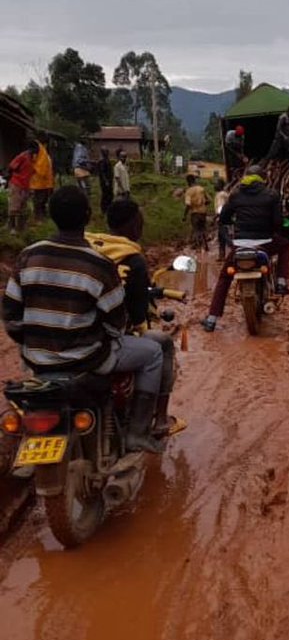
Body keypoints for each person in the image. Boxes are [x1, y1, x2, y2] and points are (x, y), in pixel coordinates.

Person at [1, 186, 164, 452]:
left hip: (37, 361)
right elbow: (116, 324)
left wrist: (34, 342)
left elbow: (10, 316)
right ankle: (137, 432)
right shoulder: (98, 264)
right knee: (154, 352)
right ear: (88, 216)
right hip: (87, 360)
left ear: (51, 215)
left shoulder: (28, 256)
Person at [85, 198, 182, 438]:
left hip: (65, 339)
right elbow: (138, 316)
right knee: (161, 346)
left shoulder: (85, 249)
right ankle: (156, 421)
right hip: (104, 343)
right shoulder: (133, 259)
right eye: (140, 220)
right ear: (134, 225)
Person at [202, 165, 289, 332]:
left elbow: (224, 219)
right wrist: (275, 231)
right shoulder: (272, 195)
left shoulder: (235, 195)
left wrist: (231, 239)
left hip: (241, 245)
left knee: (224, 278)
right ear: (263, 178)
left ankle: (212, 319)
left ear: (245, 178)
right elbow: (278, 223)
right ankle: (281, 282)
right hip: (265, 243)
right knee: (285, 245)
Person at [7, 140, 39, 232]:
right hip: (16, 183)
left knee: (23, 206)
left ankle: (21, 228)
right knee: (14, 205)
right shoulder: (22, 156)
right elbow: (11, 167)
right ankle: (12, 227)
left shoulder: (33, 159)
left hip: (25, 185)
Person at [29, 137, 55, 220]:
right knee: (39, 200)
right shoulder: (40, 151)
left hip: (45, 181)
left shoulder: (43, 153)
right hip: (40, 181)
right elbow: (40, 167)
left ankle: (42, 214)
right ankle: (38, 216)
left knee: (43, 199)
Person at [184, 173, 209, 250]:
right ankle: (206, 246)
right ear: (194, 180)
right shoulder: (201, 189)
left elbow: (188, 204)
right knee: (203, 229)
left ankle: (198, 247)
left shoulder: (189, 191)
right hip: (203, 212)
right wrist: (203, 204)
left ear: (188, 182)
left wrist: (184, 215)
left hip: (194, 213)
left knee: (196, 230)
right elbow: (208, 200)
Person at [214, 177, 228, 260]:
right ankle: (221, 256)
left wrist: (215, 217)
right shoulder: (223, 194)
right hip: (225, 218)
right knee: (222, 237)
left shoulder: (220, 195)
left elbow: (221, 208)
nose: (215, 185)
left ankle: (223, 255)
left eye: (216, 184)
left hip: (222, 219)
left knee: (224, 237)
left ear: (221, 185)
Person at [98, 147, 114, 213]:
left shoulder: (107, 160)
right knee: (105, 195)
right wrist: (106, 181)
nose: (107, 153)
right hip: (105, 182)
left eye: (107, 151)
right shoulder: (102, 161)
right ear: (103, 153)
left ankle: (109, 207)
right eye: (105, 151)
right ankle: (104, 209)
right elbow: (102, 172)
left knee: (110, 194)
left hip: (109, 180)